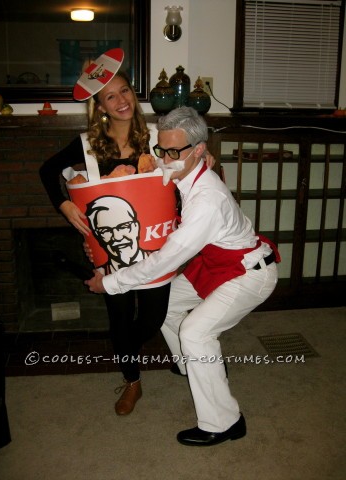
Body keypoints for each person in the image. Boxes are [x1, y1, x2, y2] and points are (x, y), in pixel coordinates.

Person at [85, 106, 280, 446]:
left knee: (195, 332)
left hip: (249, 274)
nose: (165, 159)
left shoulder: (207, 201)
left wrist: (110, 283)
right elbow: (147, 187)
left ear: (199, 150)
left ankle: (224, 422)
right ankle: (191, 366)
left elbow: (164, 260)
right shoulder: (183, 168)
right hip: (218, 264)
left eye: (174, 152)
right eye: (162, 149)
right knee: (166, 307)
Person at [39, 70, 172, 416]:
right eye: (110, 96)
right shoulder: (88, 144)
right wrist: (65, 205)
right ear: (99, 106)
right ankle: (132, 380)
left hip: (156, 248)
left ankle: (124, 347)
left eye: (124, 91)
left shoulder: (156, 137)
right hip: (109, 252)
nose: (121, 100)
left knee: (152, 319)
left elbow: (185, 169)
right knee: (120, 315)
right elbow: (47, 170)